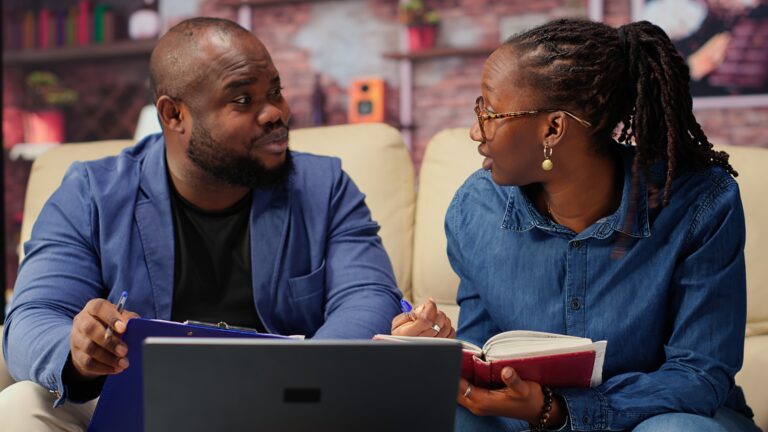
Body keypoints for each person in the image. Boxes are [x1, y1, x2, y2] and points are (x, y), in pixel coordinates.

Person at [0, 17, 401, 431]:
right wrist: (79, 353)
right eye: (244, 100)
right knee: (20, 406)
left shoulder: (326, 187)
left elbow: (368, 298)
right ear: (174, 114)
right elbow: (34, 314)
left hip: (288, 401)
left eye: (275, 92)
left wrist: (295, 382)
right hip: (141, 400)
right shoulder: (91, 193)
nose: (276, 114)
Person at [392, 19, 760, 431]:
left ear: (553, 128)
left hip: (663, 415)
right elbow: (486, 353)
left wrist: (559, 410)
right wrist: (443, 348)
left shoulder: (699, 202)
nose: (476, 130)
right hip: (523, 420)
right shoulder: (476, 208)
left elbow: (698, 376)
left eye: (491, 111)